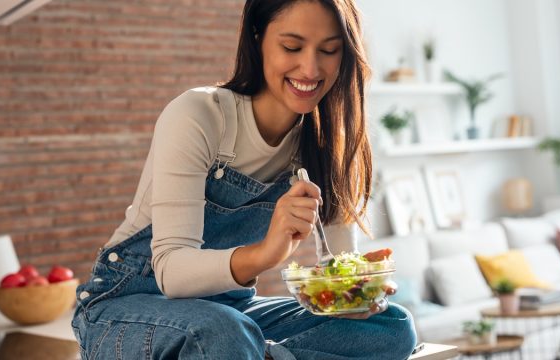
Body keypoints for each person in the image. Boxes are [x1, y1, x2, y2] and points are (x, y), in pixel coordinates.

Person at [72, 0, 417, 359]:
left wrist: (355, 293)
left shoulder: (324, 144)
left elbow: (340, 267)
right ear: (257, 38)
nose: (311, 68)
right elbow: (172, 272)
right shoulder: (200, 115)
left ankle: (258, 353)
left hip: (230, 312)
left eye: (329, 50)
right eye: (292, 47)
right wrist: (267, 253)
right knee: (222, 332)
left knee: (391, 326)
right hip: (125, 309)